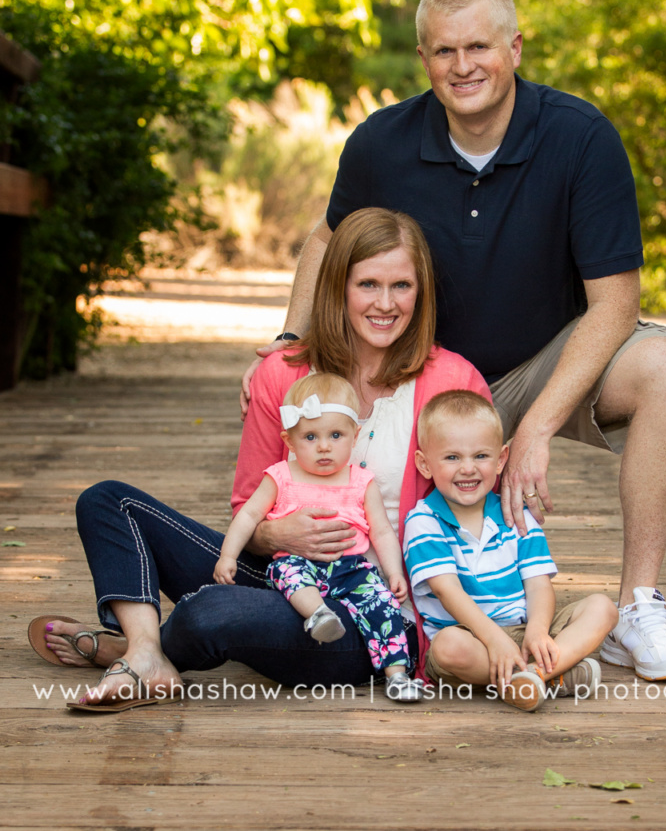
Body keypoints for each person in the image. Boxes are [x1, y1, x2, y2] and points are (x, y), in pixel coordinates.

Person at [240, 0, 666, 683]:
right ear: (423, 59)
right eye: (444, 52)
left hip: (543, 363)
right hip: (423, 379)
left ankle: (638, 608)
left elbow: (613, 303)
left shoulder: (581, 138)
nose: (463, 67)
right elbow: (326, 242)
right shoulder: (380, 144)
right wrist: (284, 346)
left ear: (515, 48)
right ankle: (426, 612)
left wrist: (539, 428)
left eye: (479, 47)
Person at [29, 208, 490, 709]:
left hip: (371, 612)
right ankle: (144, 651)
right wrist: (277, 533)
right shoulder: (282, 374)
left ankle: (143, 649)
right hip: (283, 575)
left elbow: (477, 514)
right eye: (368, 285)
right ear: (337, 286)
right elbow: (247, 504)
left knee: (209, 614)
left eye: (401, 285)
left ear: (420, 292)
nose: (385, 303)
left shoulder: (454, 381)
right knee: (106, 502)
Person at [213, 372, 424, 701]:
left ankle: (396, 674)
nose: (324, 446)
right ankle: (318, 614)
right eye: (310, 437)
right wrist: (228, 556)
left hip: (352, 568)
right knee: (287, 572)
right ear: (289, 441)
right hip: (299, 562)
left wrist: (394, 572)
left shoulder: (361, 481)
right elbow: (250, 514)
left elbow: (381, 529)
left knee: (382, 605)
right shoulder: (280, 476)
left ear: (355, 436)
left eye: (336, 435)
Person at [403, 390, 618, 711]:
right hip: (471, 638)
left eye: (481, 456)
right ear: (425, 464)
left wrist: (538, 630)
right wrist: (493, 639)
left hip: (525, 629)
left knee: (603, 607)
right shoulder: (423, 521)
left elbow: (538, 583)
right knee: (448, 648)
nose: (467, 468)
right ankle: (552, 676)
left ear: (501, 459)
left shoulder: (514, 513)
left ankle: (528, 676)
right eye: (452, 457)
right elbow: (447, 592)